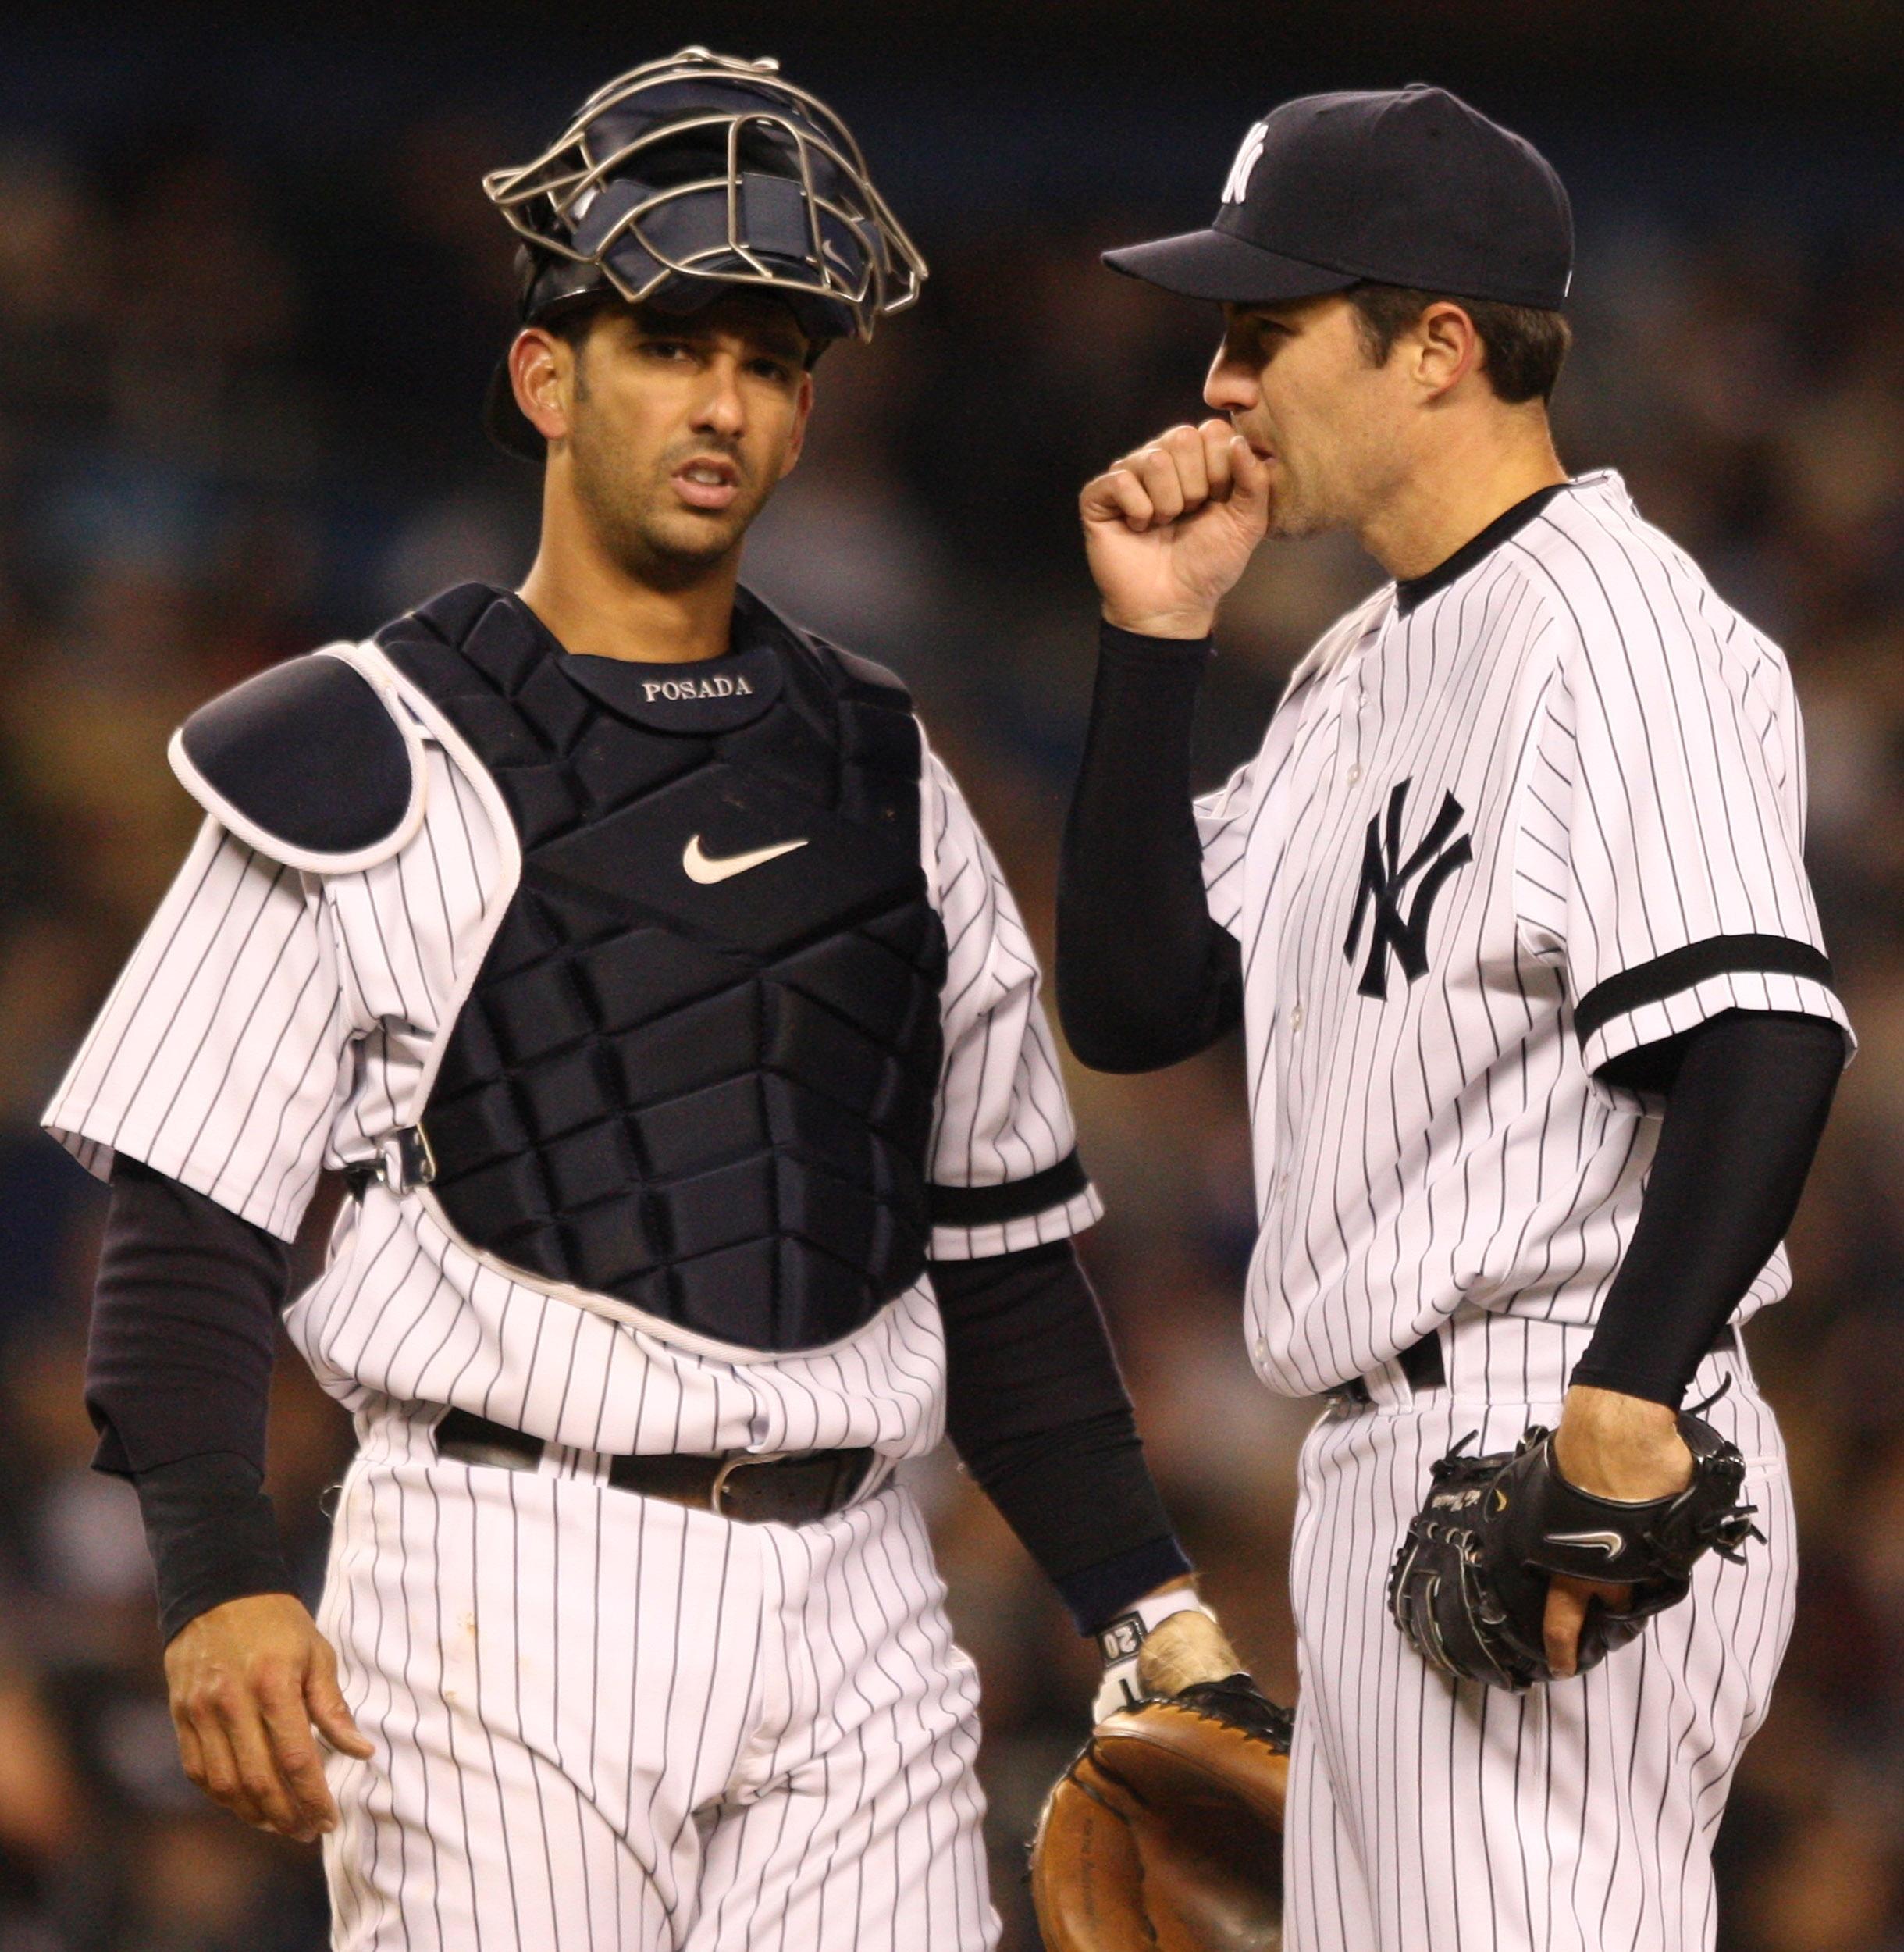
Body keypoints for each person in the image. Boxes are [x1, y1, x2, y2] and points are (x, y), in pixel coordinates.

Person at [45, 48, 1240, 1951]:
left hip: (861, 1588)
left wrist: (1150, 1604)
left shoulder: (889, 767)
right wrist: (217, 1572)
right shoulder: (366, 743)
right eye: (674, 341)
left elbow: (1004, 1265)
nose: (724, 401)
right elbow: (186, 1214)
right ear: (545, 374)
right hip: (500, 1582)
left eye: (769, 363)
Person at [1059, 84, 1848, 1951]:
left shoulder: (1615, 618)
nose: (1221, 380)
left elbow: (1762, 1026)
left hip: (1538, 1422)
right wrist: (1151, 635)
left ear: (1435, 344)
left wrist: (1623, 1398)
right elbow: (1136, 993)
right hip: (1392, 1457)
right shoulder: (1357, 660)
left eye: (1264, 328)